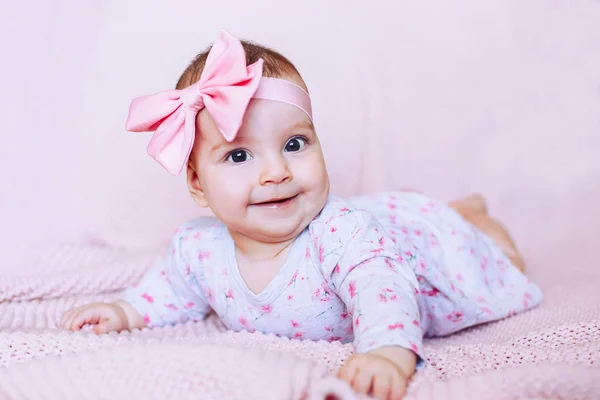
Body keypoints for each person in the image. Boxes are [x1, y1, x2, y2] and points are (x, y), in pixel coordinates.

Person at [61, 31, 542, 400]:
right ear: (196, 184)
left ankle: (472, 218)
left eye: (294, 145)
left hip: (425, 254)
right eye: (238, 156)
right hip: (381, 221)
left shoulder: (342, 236)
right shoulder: (198, 248)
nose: (276, 172)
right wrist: (126, 310)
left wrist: (386, 352)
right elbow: (170, 290)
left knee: (502, 259)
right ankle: (452, 208)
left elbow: (382, 288)